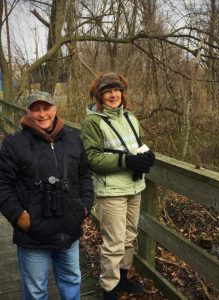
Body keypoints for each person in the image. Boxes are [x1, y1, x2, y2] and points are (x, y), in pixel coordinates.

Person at [0, 91, 94, 300]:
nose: (42, 114)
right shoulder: (14, 144)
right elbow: (3, 185)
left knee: (72, 280)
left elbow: (85, 175)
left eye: (46, 108)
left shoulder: (73, 139)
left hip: (68, 228)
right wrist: (18, 216)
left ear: (55, 109)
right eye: (36, 109)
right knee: (36, 290)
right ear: (28, 112)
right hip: (33, 233)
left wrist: (85, 206)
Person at [81, 73, 155, 300]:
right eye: (108, 91)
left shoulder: (131, 117)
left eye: (117, 90)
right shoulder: (93, 121)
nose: (113, 95)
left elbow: (138, 143)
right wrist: (126, 161)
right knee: (113, 242)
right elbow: (91, 158)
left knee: (129, 236)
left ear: (122, 93)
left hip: (134, 186)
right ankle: (109, 289)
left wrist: (146, 155)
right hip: (111, 190)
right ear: (99, 95)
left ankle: (123, 278)